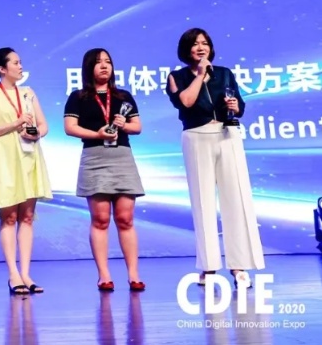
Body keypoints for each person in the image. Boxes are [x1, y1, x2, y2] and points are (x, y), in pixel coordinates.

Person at [166, 28, 264, 288]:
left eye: (205, 43)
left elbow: (240, 105)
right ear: (186, 49)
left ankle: (239, 266)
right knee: (203, 202)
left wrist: (236, 107)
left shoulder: (225, 73)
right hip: (197, 136)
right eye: (195, 44)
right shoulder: (177, 77)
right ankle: (208, 267)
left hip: (228, 135)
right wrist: (200, 75)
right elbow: (186, 102)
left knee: (236, 199)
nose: (201, 47)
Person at [63, 48, 145, 292]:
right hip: (94, 158)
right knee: (100, 220)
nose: (104, 66)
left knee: (125, 219)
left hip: (122, 157)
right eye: (98, 62)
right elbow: (70, 127)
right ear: (89, 67)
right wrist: (97, 134)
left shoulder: (123, 96)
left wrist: (124, 125)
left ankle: (133, 274)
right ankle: (104, 275)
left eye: (108, 62)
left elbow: (137, 127)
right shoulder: (78, 97)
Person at [0, 47, 52, 295]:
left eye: (21, 62)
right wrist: (16, 123)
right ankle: (13, 274)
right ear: (2, 68)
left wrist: (35, 132)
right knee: (9, 217)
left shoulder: (28, 93)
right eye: (16, 63)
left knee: (27, 217)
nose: (20, 67)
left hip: (29, 156)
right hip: (5, 160)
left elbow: (43, 125)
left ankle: (26, 274)